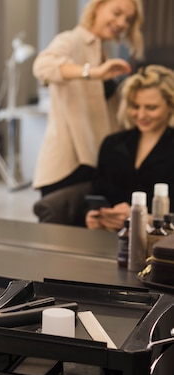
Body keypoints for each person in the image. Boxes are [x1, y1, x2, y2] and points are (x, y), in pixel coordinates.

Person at [32, 0, 144, 197]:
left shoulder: (102, 53)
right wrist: (92, 72)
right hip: (69, 163)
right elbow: (42, 66)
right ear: (98, 7)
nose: (122, 23)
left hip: (94, 160)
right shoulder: (70, 40)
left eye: (128, 19)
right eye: (117, 13)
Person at [86, 65, 174, 231]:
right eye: (135, 106)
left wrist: (145, 220)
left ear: (170, 106)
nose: (141, 115)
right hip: (108, 236)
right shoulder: (112, 144)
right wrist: (93, 217)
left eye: (151, 107)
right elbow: (98, 193)